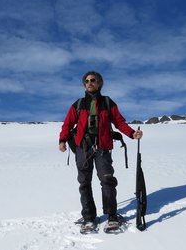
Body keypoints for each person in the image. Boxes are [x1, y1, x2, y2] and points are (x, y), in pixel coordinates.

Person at [58, 71, 143, 232]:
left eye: (93, 80)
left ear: (99, 83)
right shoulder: (78, 104)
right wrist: (62, 140)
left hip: (102, 148)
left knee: (107, 181)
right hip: (83, 148)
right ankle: (89, 218)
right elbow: (67, 124)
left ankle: (112, 216)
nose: (89, 83)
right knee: (84, 182)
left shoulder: (107, 102)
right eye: (87, 81)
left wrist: (132, 133)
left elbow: (119, 121)